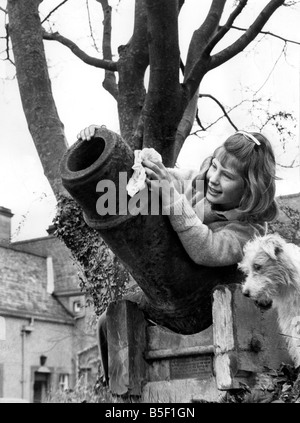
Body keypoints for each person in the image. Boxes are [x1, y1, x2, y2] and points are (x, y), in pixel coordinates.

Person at [77, 125, 279, 384]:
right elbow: (159, 176)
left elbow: (206, 249)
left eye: (227, 176)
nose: (215, 178)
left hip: (212, 305)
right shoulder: (199, 183)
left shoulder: (248, 233)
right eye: (214, 166)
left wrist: (171, 196)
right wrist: (101, 145)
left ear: (250, 189)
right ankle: (111, 386)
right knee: (109, 319)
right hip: (174, 296)